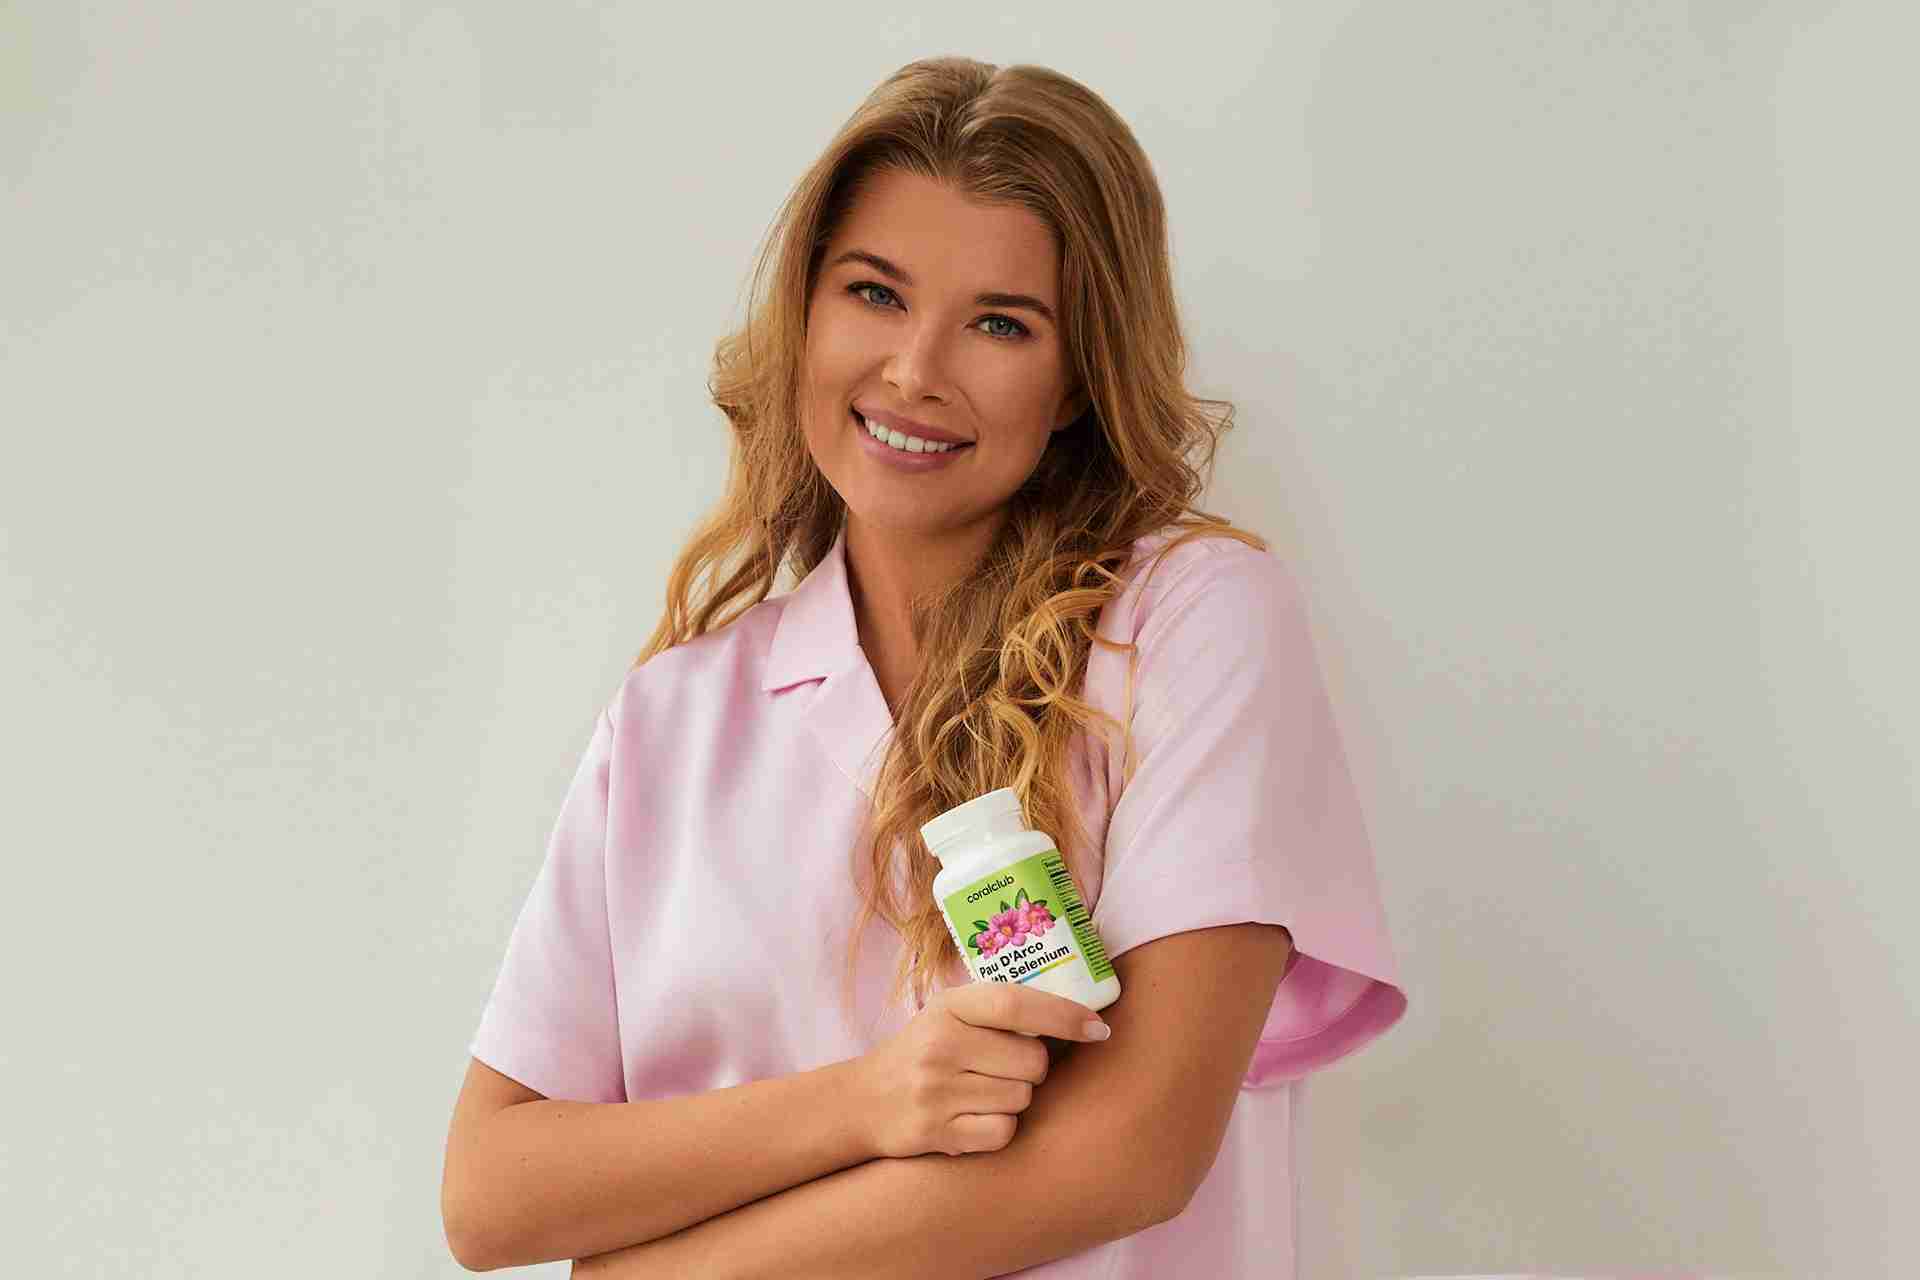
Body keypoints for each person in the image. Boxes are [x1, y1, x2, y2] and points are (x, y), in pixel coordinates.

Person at [444, 56, 1409, 1279]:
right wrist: (869, 1099)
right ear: (806, 313)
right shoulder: (672, 719)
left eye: (1001, 322)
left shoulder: (1190, 622)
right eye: (874, 292)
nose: (914, 369)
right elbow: (491, 1192)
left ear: (1078, 378)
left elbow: (1130, 1154)